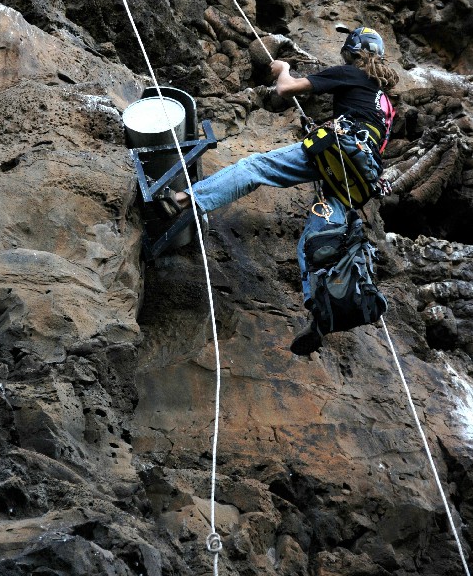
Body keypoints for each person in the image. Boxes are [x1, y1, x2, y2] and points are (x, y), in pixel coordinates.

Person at [157, 27, 399, 354]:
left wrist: (283, 69)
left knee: (254, 168)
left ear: (351, 52)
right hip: (362, 175)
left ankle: (184, 198)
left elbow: (287, 89)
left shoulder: (350, 73)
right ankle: (321, 310)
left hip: (341, 151)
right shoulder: (385, 101)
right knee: (319, 237)